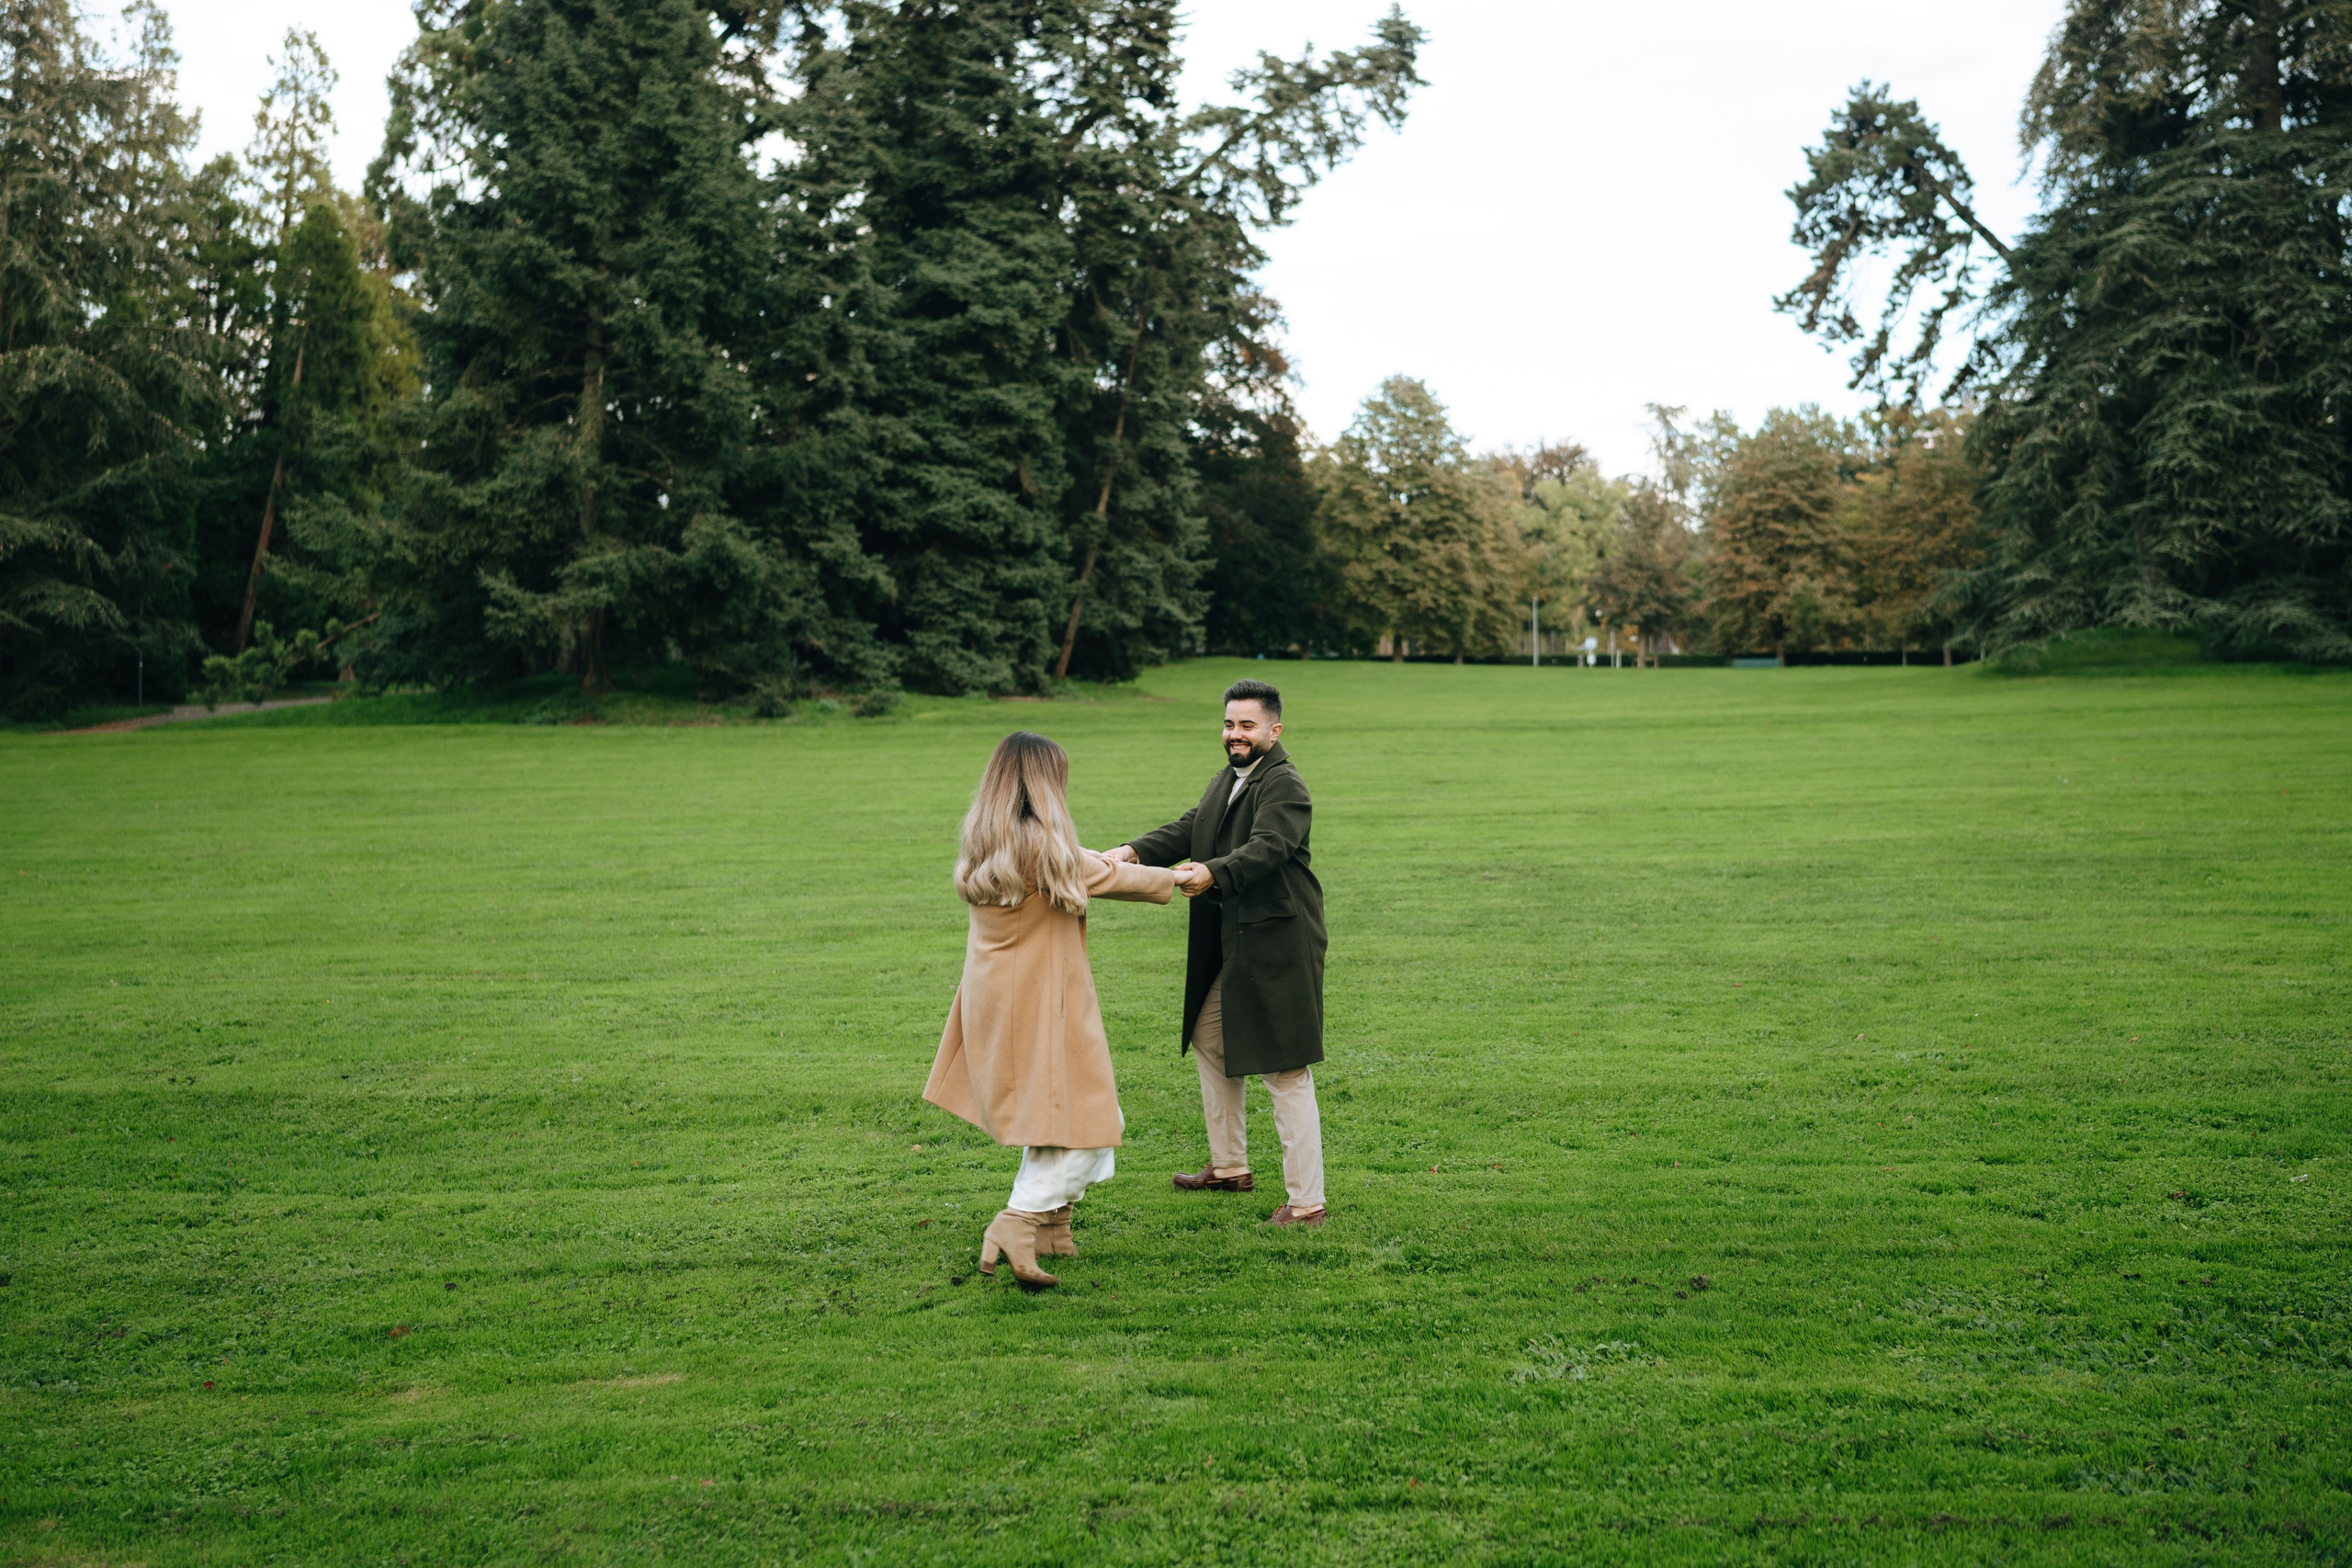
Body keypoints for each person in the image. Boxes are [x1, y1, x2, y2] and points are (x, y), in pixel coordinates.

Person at [923, 731, 1178, 1289]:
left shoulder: (987, 837)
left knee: (1053, 1114)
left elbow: (1080, 865)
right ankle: (1017, 1222)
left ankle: (1052, 1230)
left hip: (996, 1000)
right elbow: (1104, 876)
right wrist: (1182, 877)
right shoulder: (1040, 846)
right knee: (1089, 1124)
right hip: (1037, 1003)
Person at [1105, 678, 1329, 1225]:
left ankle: (1308, 1204)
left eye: (1247, 725)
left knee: (1285, 1071)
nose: (1235, 734)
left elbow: (1269, 847)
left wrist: (1213, 871)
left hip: (1277, 941)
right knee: (1210, 1036)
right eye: (1229, 723)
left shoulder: (1285, 785)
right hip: (1233, 938)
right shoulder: (1230, 779)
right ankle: (1230, 1168)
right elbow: (1192, 827)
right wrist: (1132, 851)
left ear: (1274, 730)